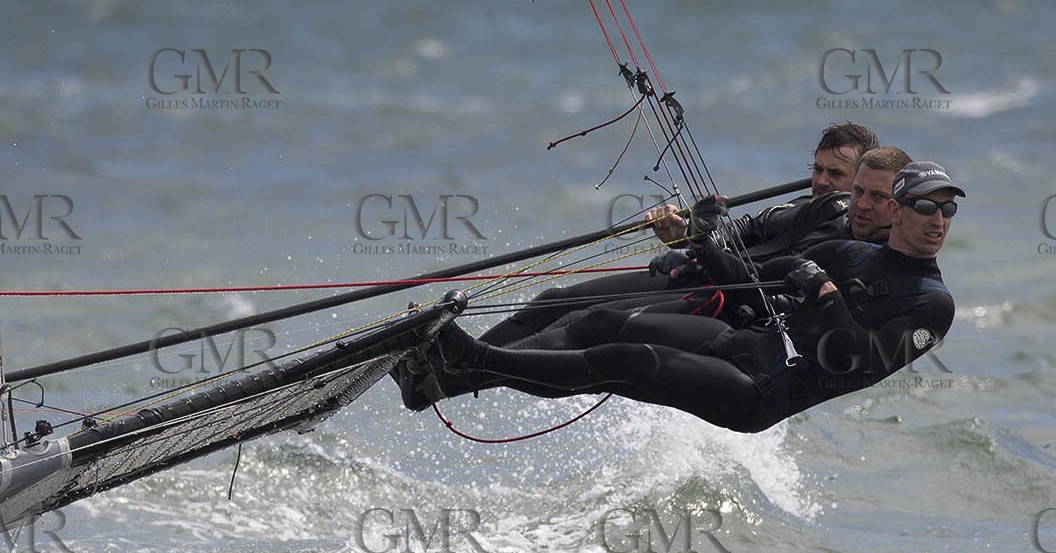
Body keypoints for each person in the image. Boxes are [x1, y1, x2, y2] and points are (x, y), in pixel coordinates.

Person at [399, 162, 959, 434]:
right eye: (928, 207)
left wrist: (822, 294)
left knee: (628, 363)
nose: (938, 220)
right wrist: (706, 243)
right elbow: (767, 278)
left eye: (948, 209)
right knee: (606, 324)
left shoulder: (933, 304)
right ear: (903, 211)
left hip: (761, 390)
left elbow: (849, 360)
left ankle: (472, 361)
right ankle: (449, 371)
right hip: (741, 341)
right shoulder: (855, 252)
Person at [478, 123, 882, 347]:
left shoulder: (847, 235)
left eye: (836, 174)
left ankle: (473, 367)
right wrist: (687, 233)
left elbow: (759, 275)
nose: (821, 181)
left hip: (720, 298)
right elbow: (741, 230)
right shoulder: (799, 206)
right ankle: (447, 361)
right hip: (693, 270)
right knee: (556, 298)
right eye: (817, 169)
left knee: (578, 321)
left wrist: (702, 246)